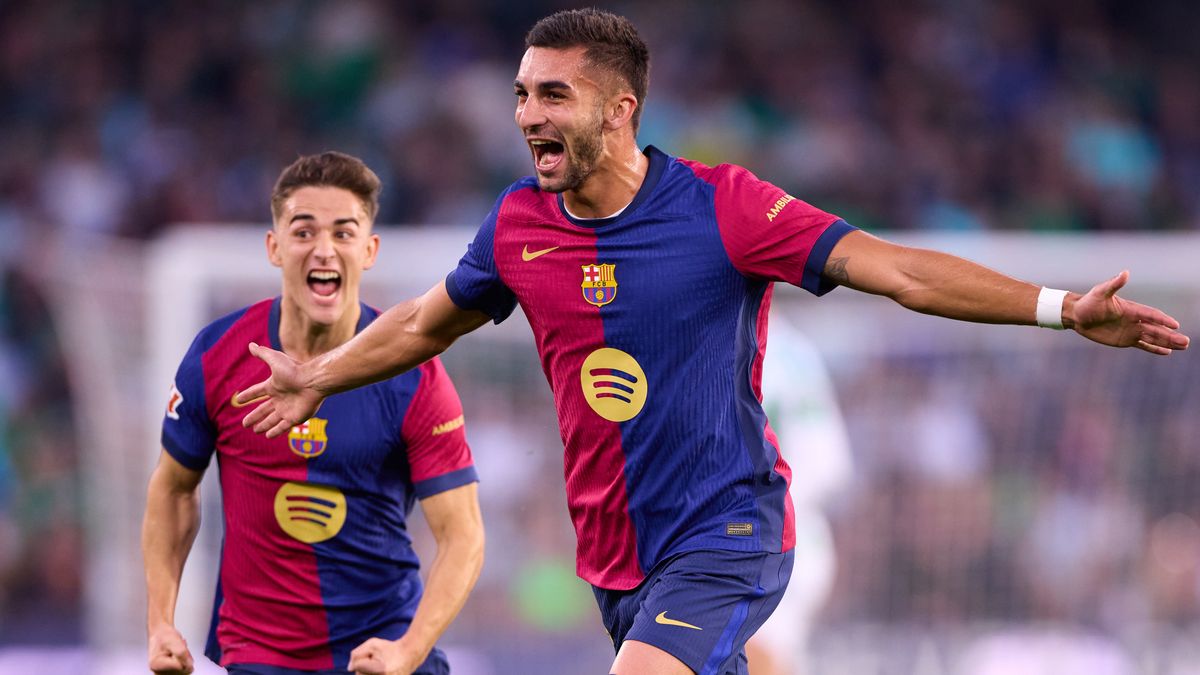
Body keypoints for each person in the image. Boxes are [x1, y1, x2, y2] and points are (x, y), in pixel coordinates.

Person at [237, 10, 1190, 675]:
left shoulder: (724, 207)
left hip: (729, 530)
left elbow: (896, 270)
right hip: (615, 554)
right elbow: (423, 320)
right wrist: (322, 372)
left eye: (553, 94)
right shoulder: (518, 224)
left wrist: (1061, 307)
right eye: (522, 93)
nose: (527, 114)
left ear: (620, 110)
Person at [142, 152, 484, 675]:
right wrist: (160, 623)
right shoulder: (217, 357)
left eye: (344, 234)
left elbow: (463, 536)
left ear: (369, 250)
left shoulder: (415, 376)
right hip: (259, 655)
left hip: (380, 649)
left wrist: (408, 650)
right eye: (304, 232)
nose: (324, 250)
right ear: (274, 247)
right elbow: (172, 489)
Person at [746, 316, 853, 675]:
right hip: (788, 538)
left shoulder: (779, 350)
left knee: (752, 655)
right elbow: (832, 465)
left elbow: (825, 466)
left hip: (764, 541)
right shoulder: (793, 347)